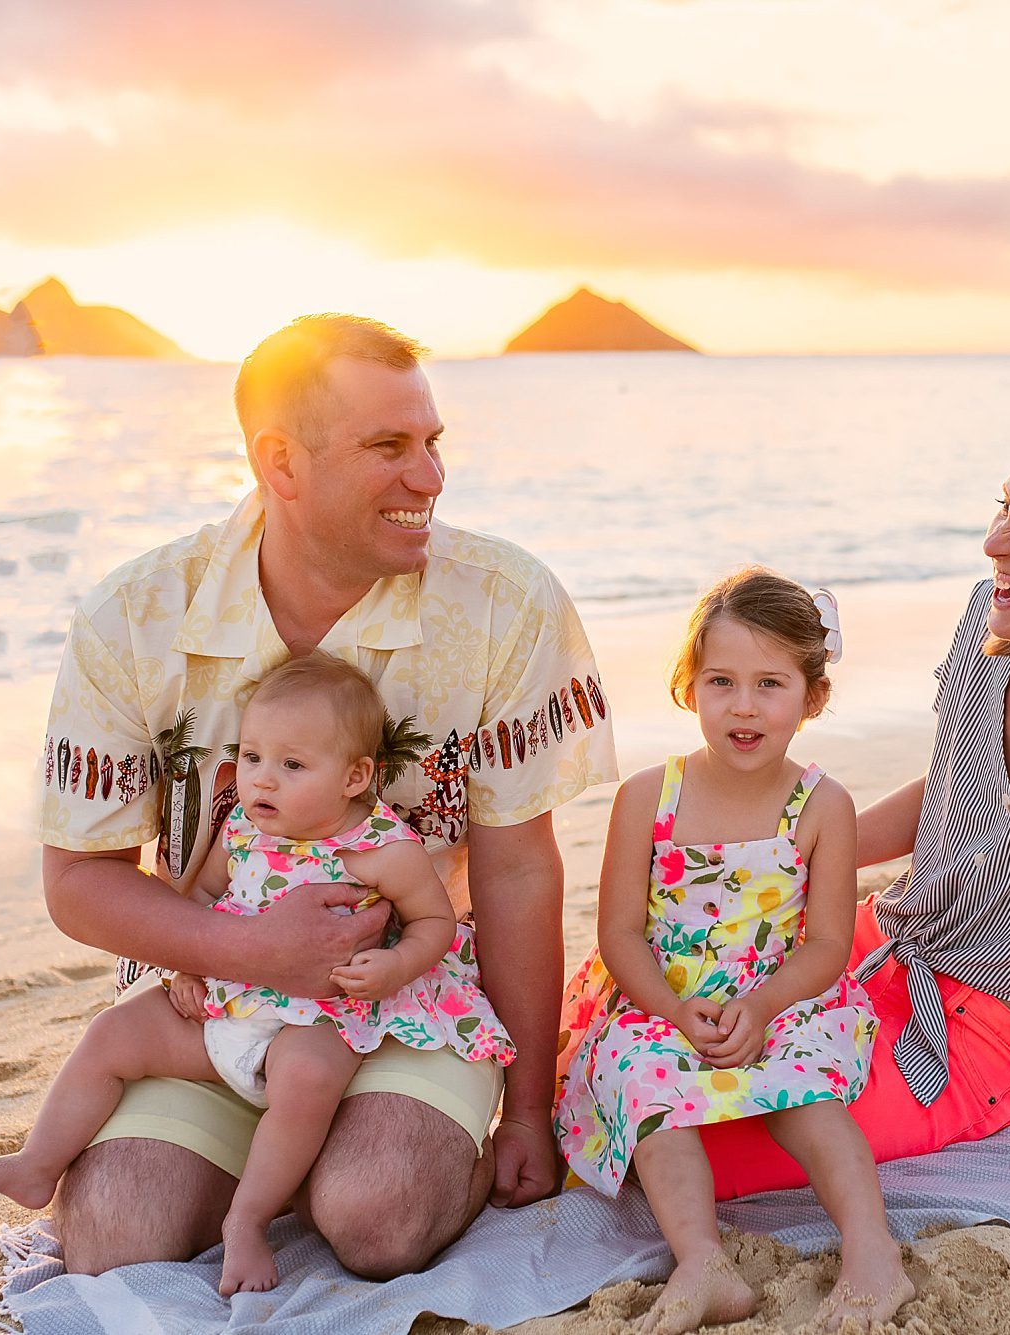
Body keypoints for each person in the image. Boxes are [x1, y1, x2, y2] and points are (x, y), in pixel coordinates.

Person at [34, 314, 618, 1279]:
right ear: (280, 461)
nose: (429, 477)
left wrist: (527, 1108)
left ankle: (355, 1156)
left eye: (433, 443)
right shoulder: (133, 616)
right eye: (388, 447)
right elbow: (77, 882)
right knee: (113, 1238)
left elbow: (518, 868)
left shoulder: (505, 601)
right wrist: (246, 947)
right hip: (212, 993)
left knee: (377, 1219)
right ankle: (267, 1157)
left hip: (414, 994)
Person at [694, 417, 1010, 1202]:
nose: (995, 545)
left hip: (978, 1039)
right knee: (644, 1029)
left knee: (705, 1144)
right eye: (1002, 510)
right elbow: (948, 794)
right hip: (876, 946)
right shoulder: (985, 618)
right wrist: (784, 850)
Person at [0, 653, 515, 1294]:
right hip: (232, 992)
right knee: (113, 1035)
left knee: (304, 1080)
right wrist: (191, 961)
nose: (262, 782)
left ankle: (245, 1221)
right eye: (251, 759)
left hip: (327, 1008)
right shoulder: (243, 828)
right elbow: (196, 899)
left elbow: (433, 925)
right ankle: (37, 1164)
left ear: (356, 776)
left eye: (292, 766)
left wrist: (393, 966)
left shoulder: (385, 850)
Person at [554, 569, 910, 1335]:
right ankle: (702, 1259)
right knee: (644, 1079)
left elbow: (828, 942)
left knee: (806, 1084)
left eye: (770, 683)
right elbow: (617, 930)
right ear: (689, 686)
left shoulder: (822, 804)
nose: (743, 705)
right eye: (721, 680)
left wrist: (764, 1004)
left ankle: (871, 1246)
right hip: (665, 994)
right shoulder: (650, 795)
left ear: (811, 697)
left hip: (781, 991)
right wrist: (675, 1008)